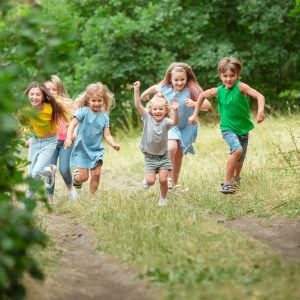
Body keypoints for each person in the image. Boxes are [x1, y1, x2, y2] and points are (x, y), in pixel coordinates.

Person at [188, 56, 265, 194]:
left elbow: (260, 96)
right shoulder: (218, 91)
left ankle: (236, 178)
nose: (228, 79)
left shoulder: (241, 87)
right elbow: (202, 96)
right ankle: (227, 184)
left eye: (232, 75)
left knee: (240, 157)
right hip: (227, 128)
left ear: (237, 75)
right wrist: (195, 114)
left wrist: (260, 111)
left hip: (243, 128)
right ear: (220, 75)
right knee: (237, 150)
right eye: (225, 76)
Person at [141, 62, 211, 189]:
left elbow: (207, 105)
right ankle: (165, 176)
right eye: (176, 80)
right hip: (170, 125)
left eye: (182, 79)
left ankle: (173, 184)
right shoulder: (165, 88)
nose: (179, 83)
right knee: (171, 148)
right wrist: (143, 94)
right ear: (170, 79)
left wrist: (195, 103)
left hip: (186, 127)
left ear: (187, 78)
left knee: (178, 156)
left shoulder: (192, 90)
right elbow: (154, 87)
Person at [64, 82, 120, 194]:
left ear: (104, 101)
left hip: (96, 150)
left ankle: (92, 198)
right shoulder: (83, 112)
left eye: (99, 101)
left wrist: (113, 144)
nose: (96, 103)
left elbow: (107, 135)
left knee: (96, 174)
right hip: (82, 149)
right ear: (88, 100)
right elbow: (72, 125)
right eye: (93, 101)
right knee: (84, 178)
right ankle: (77, 177)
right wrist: (69, 138)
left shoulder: (105, 117)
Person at [22, 81, 70, 202]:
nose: (34, 97)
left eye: (38, 94)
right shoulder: (25, 110)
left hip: (49, 142)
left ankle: (28, 196)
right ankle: (49, 172)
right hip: (35, 142)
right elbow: (25, 125)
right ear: (27, 95)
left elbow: (66, 117)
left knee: (36, 172)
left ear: (43, 96)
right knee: (31, 173)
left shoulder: (50, 107)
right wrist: (25, 137)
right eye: (31, 94)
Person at [134, 81, 179, 206]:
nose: (158, 112)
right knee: (151, 181)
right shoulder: (147, 117)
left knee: (164, 180)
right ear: (151, 110)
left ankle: (163, 199)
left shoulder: (166, 121)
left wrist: (176, 110)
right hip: (150, 157)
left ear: (165, 111)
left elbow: (175, 122)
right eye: (155, 109)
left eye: (161, 109)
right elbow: (138, 105)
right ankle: (148, 180)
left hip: (163, 157)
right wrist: (137, 90)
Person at [44, 75, 78, 202]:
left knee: (64, 169)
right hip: (50, 142)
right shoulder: (42, 106)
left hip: (66, 141)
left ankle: (71, 190)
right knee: (50, 170)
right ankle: (49, 198)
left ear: (60, 90)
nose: (51, 92)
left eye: (54, 89)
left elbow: (76, 120)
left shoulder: (66, 104)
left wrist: (74, 132)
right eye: (48, 89)